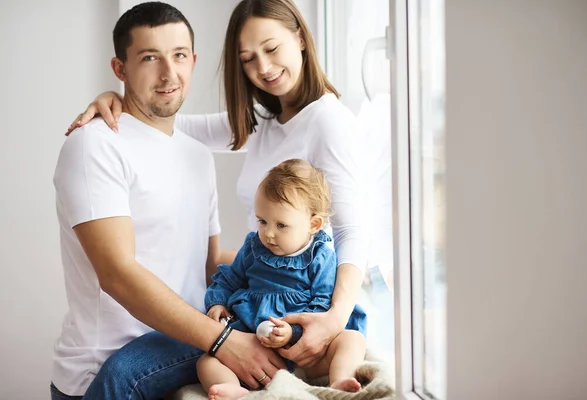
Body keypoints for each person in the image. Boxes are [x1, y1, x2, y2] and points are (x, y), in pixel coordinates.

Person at [67, 0, 367, 371]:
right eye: (248, 58)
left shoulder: (327, 120)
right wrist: (117, 99)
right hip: (261, 295)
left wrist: (335, 318)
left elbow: (352, 230)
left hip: (314, 300)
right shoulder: (265, 120)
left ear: (301, 39)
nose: (265, 68)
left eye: (272, 49)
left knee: (127, 371)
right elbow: (163, 121)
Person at [52, 3, 284, 400]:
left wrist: (293, 263)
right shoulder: (94, 145)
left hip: (184, 348)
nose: (168, 73)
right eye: (149, 58)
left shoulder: (196, 154)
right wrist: (224, 340)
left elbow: (208, 265)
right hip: (107, 370)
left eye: (178, 56)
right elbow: (118, 275)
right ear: (120, 69)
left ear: (193, 60)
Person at [197, 159, 367, 400]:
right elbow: (229, 279)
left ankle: (339, 380)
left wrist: (294, 332)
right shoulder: (253, 247)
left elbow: (322, 303)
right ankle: (233, 388)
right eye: (262, 221)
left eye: (281, 225)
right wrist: (216, 303)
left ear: (313, 224)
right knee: (207, 361)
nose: (269, 233)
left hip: (309, 353)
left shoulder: (320, 257)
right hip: (254, 342)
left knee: (353, 340)